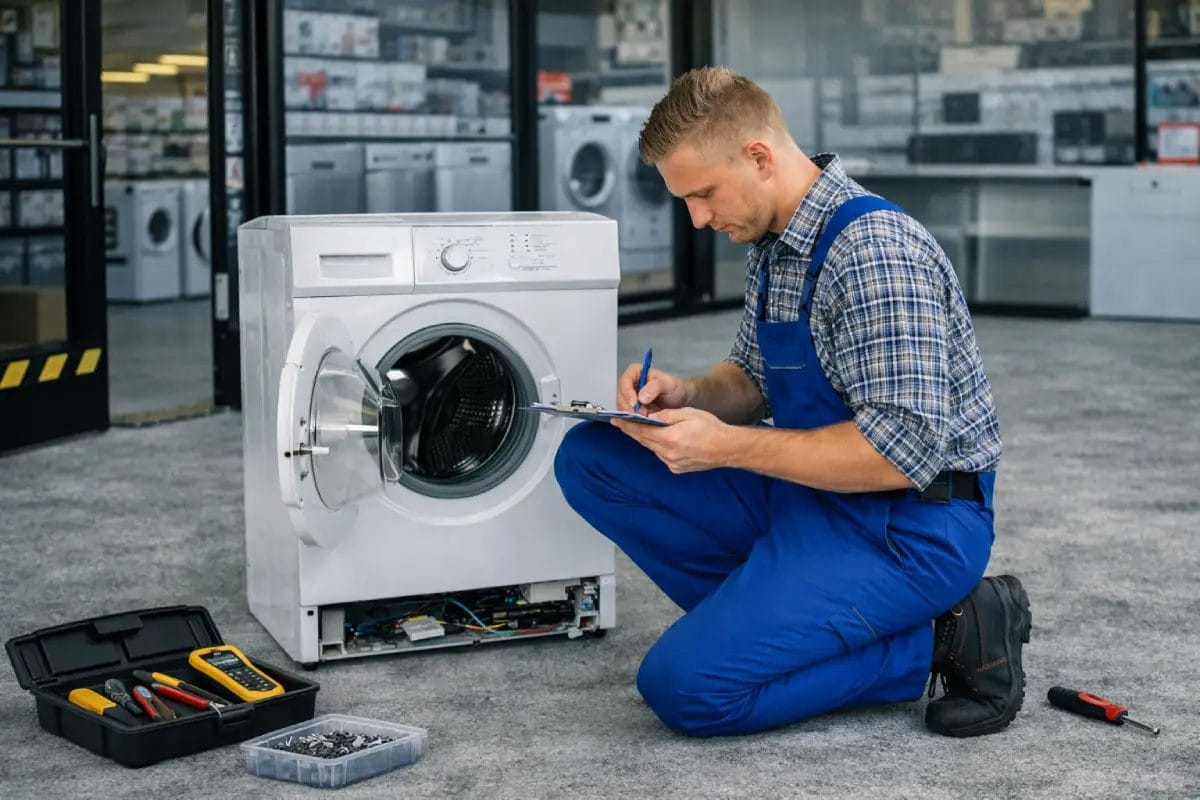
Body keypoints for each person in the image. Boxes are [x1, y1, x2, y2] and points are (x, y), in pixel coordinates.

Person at [553, 66, 1031, 739]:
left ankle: (948, 635)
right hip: (815, 495)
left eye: (703, 195)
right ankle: (781, 622)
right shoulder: (775, 244)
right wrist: (687, 395)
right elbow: (752, 379)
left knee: (686, 688)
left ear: (758, 156)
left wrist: (723, 447)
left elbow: (904, 456)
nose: (697, 218)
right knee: (593, 457)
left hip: (910, 527)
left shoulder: (874, 254)